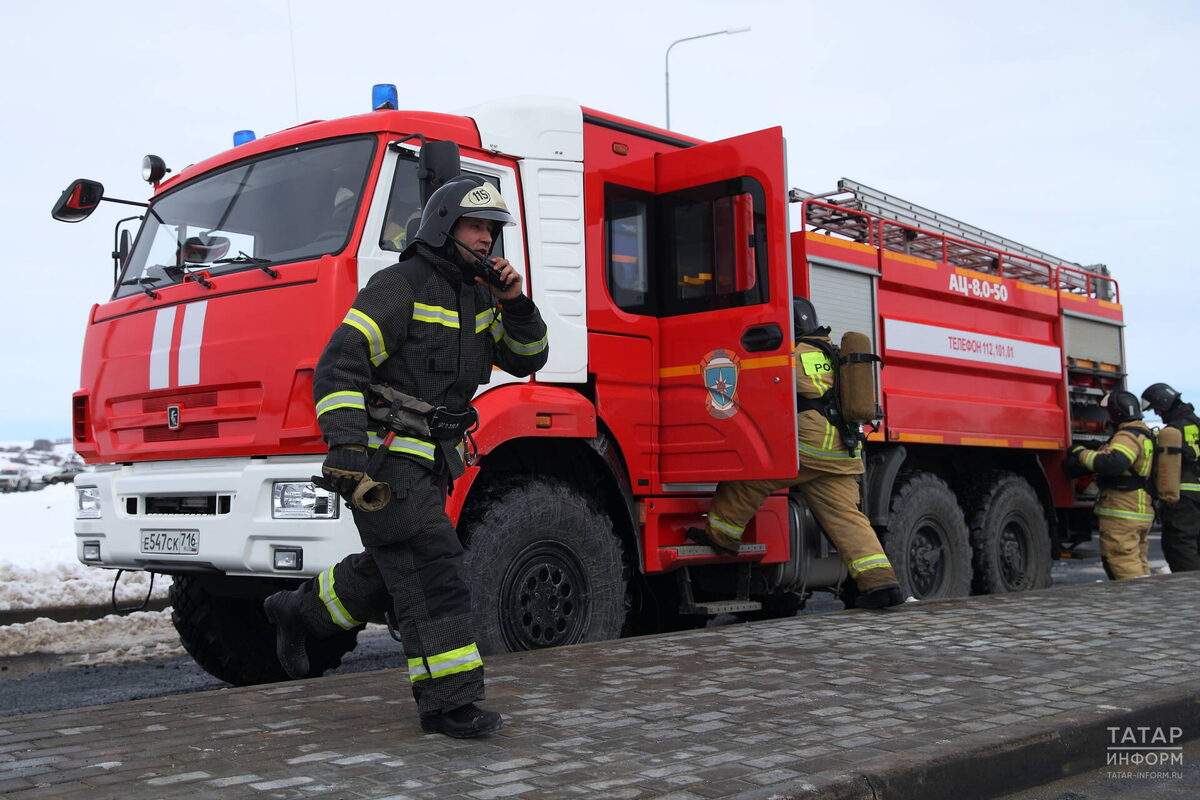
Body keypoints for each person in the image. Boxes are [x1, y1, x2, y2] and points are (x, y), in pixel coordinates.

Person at [263, 175, 549, 739]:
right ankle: (449, 705)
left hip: (434, 463)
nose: (488, 239)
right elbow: (340, 365)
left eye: (493, 230)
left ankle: (297, 612)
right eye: (476, 227)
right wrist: (346, 446)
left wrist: (514, 302)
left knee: (397, 573)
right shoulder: (399, 286)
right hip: (383, 462)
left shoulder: (480, 296)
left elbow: (528, 356)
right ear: (444, 225)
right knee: (438, 572)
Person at [685, 297, 904, 609]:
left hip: (808, 448)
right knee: (847, 518)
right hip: (843, 453)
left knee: (750, 476)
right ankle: (882, 584)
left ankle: (721, 536)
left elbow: (761, 385)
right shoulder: (837, 355)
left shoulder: (797, 354)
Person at [1066, 390, 1155, 579]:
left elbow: (1112, 463)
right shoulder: (1143, 434)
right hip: (1138, 509)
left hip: (1123, 511)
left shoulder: (1127, 436)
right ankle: (1147, 600)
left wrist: (1080, 452)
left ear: (1117, 413)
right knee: (1138, 562)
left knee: (1123, 563)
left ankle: (1134, 603)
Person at [1140, 382, 1200, 572]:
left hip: (1181, 495)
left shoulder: (1172, 432)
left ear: (1164, 404)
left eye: (1157, 409)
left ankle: (1189, 588)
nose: (1157, 413)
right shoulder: (1196, 422)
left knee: (1179, 545)